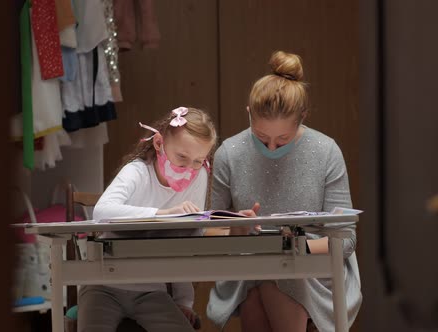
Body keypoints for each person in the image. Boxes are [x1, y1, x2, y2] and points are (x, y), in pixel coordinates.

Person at [206, 51, 362, 332]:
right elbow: (210, 231)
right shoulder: (230, 152)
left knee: (276, 277)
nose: (272, 148)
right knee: (262, 276)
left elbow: (346, 239)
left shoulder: (325, 151)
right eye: (262, 138)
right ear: (248, 114)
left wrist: (292, 247)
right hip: (251, 263)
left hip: (315, 268)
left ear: (303, 117)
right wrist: (236, 230)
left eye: (283, 139)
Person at [79, 106, 217, 332]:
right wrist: (162, 215)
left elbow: (186, 241)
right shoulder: (137, 172)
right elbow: (102, 211)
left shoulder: (199, 176)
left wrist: (183, 301)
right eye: (182, 157)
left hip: (151, 289)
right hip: (103, 284)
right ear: (159, 143)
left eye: (198, 160)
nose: (188, 169)